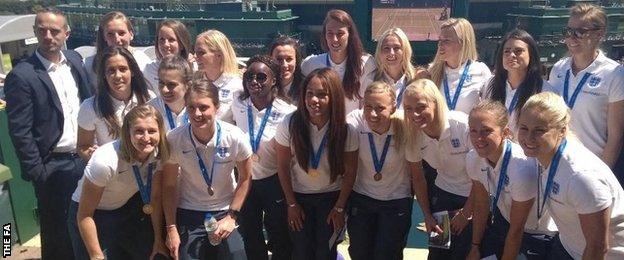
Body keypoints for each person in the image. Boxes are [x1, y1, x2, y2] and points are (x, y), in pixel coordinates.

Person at [4, 8, 93, 259]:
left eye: (54, 31)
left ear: (66, 33)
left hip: (85, 158)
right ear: (34, 32)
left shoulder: (75, 61)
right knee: (58, 233)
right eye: (41, 30)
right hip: (54, 166)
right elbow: (20, 131)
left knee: (88, 222)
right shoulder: (22, 76)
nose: (48, 36)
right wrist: (38, 173)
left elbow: (88, 102)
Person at [516, 92, 624, 259]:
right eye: (524, 128)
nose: (528, 138)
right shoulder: (543, 153)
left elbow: (598, 247)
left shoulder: (581, 178)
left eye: (539, 130)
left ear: (562, 131)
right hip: (568, 246)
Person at [162, 79, 252, 260]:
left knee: (238, 256)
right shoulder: (174, 139)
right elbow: (169, 185)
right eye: (191, 108)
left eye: (203, 107)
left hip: (225, 210)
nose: (197, 114)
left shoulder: (234, 137)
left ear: (216, 107)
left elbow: (245, 178)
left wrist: (231, 217)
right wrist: (171, 228)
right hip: (189, 211)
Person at [274, 68, 358, 259]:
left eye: (321, 95)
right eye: (309, 94)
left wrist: (339, 208)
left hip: (330, 199)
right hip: (299, 198)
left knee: (325, 252)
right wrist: (292, 204)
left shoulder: (346, 131)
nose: (314, 100)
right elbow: (283, 166)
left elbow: (350, 172)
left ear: (334, 97)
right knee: (302, 251)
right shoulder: (289, 123)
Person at [68, 105, 169, 260]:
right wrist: (96, 256)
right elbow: (84, 214)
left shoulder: (158, 154)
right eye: (139, 131)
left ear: (160, 132)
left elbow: (154, 200)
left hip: (124, 209)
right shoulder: (105, 161)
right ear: (128, 133)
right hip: (92, 215)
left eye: (152, 131)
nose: (146, 137)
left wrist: (158, 239)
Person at [465, 100, 556, 260]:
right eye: (473, 130)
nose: (479, 138)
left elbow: (517, 230)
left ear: (505, 133)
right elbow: (481, 204)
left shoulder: (521, 168)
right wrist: (474, 246)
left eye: (487, 131)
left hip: (537, 234)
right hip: (505, 222)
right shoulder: (473, 158)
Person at [231, 55, 296, 259]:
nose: (254, 82)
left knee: (279, 234)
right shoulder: (237, 104)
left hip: (274, 180)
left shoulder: (287, 112)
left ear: (274, 80)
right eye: (250, 76)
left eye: (261, 77)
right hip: (245, 180)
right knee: (250, 235)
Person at [402, 79, 474, 259]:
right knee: (437, 254)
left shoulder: (463, 125)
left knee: (465, 254)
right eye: (408, 109)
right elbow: (418, 178)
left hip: (472, 198)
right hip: (442, 196)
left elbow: (482, 178)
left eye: (420, 107)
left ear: (435, 103)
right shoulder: (412, 134)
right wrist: (427, 215)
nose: (415, 114)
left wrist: (466, 213)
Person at [547, 3, 624, 170]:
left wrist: (601, 175)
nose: (572, 38)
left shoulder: (614, 74)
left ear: (600, 34)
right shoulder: (558, 69)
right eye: (569, 31)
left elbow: (616, 137)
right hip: (556, 163)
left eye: (580, 32)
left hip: (592, 167)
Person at [345, 82, 417, 260]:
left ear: (393, 107)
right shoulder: (355, 121)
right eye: (368, 107)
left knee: (387, 255)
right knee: (360, 254)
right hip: (362, 199)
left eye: (380, 108)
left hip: (395, 201)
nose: (372, 114)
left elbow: (418, 175)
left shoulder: (405, 125)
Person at [77, 46, 153, 162]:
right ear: (103, 75)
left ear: (132, 71)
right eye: (111, 71)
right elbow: (83, 146)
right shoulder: (90, 107)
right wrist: (93, 155)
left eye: (122, 69)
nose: (117, 76)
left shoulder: (149, 99)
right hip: (112, 175)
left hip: (146, 171)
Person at [300, 9, 376, 114]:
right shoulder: (310, 64)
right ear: (324, 35)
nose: (335, 39)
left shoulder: (366, 63)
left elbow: (366, 105)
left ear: (350, 34)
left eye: (340, 33)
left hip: (352, 128)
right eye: (330, 33)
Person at [481, 29, 552, 130]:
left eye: (518, 51)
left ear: (531, 55)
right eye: (507, 51)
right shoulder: (491, 85)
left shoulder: (545, 91)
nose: (512, 55)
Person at [428, 18, 491, 115]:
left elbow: (490, 111)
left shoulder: (481, 71)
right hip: (440, 130)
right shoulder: (431, 72)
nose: (440, 44)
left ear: (463, 43)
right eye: (440, 40)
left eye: (446, 41)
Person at [84, 11, 152, 90]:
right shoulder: (89, 64)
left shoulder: (142, 60)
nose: (117, 39)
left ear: (131, 34)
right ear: (104, 37)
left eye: (121, 33)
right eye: (110, 34)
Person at [194, 29, 243, 124]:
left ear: (219, 55)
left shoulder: (237, 86)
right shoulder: (194, 83)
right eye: (195, 52)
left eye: (201, 52)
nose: (196, 56)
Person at [373, 27, 425, 109]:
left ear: (405, 50)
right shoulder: (371, 80)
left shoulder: (417, 79)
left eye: (397, 48)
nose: (391, 53)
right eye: (386, 48)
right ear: (380, 52)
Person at [144, 19, 193, 94]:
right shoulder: (149, 70)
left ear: (182, 44)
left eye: (171, 40)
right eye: (162, 39)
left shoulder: (194, 67)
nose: (166, 44)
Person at [147, 55, 192, 132]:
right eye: (161, 83)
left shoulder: (199, 109)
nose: (164, 90)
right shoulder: (150, 111)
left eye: (171, 85)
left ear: (187, 85)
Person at [269, 35, 304, 104]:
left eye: (289, 59)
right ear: (271, 60)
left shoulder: (305, 89)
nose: (284, 65)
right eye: (279, 59)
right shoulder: (264, 88)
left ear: (296, 60)